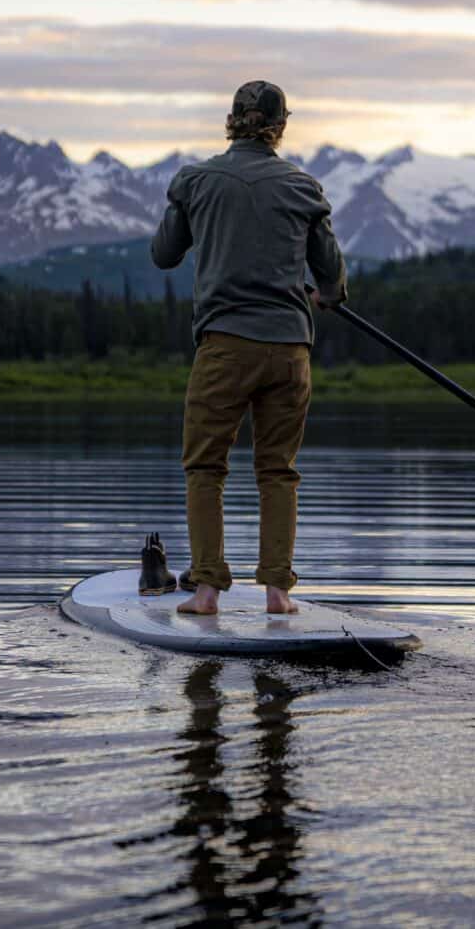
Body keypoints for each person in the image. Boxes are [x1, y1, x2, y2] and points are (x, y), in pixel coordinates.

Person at [150, 80, 348, 615]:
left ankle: (209, 589)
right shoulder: (305, 187)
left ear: (231, 120)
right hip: (290, 350)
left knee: (206, 467)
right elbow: (331, 277)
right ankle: (278, 592)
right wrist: (325, 295)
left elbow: (164, 255)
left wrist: (187, 207)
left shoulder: (195, 180)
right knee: (277, 469)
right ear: (280, 127)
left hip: (225, 347)